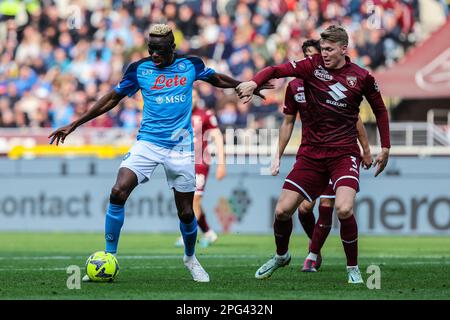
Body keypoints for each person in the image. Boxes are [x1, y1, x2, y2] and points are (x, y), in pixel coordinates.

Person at [49, 24, 268, 283]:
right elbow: (111, 98)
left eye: (160, 50)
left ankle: (190, 258)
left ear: (172, 48)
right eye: (151, 49)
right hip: (148, 143)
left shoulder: (190, 64)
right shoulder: (139, 69)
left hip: (180, 148)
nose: (154, 55)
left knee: (186, 212)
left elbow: (216, 78)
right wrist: (74, 124)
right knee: (118, 191)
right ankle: (109, 256)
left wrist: (243, 85)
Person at [236, 25, 390, 284]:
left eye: (329, 49)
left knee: (343, 208)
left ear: (344, 48)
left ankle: (352, 268)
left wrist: (384, 146)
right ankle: (281, 256)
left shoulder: (361, 77)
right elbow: (276, 70)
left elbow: (380, 110)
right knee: (283, 211)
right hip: (310, 155)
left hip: (343, 154)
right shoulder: (311, 67)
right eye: (323, 49)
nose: (325, 53)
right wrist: (254, 82)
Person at [273, 39, 372, 273]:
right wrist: (277, 154)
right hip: (312, 153)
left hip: (338, 152)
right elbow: (288, 123)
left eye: (314, 55)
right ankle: (311, 247)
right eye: (306, 56)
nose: (311, 60)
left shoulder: (335, 83)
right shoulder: (295, 87)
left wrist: (366, 150)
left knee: (329, 204)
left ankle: (313, 254)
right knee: (305, 209)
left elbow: (355, 119)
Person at [175, 88, 225, 248]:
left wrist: (221, 163)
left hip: (200, 162)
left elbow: (217, 136)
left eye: (195, 96)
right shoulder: (177, 115)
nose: (192, 99)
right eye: (189, 96)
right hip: (182, 163)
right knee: (189, 201)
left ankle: (187, 235)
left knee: (195, 199)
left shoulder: (206, 114)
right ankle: (209, 233)